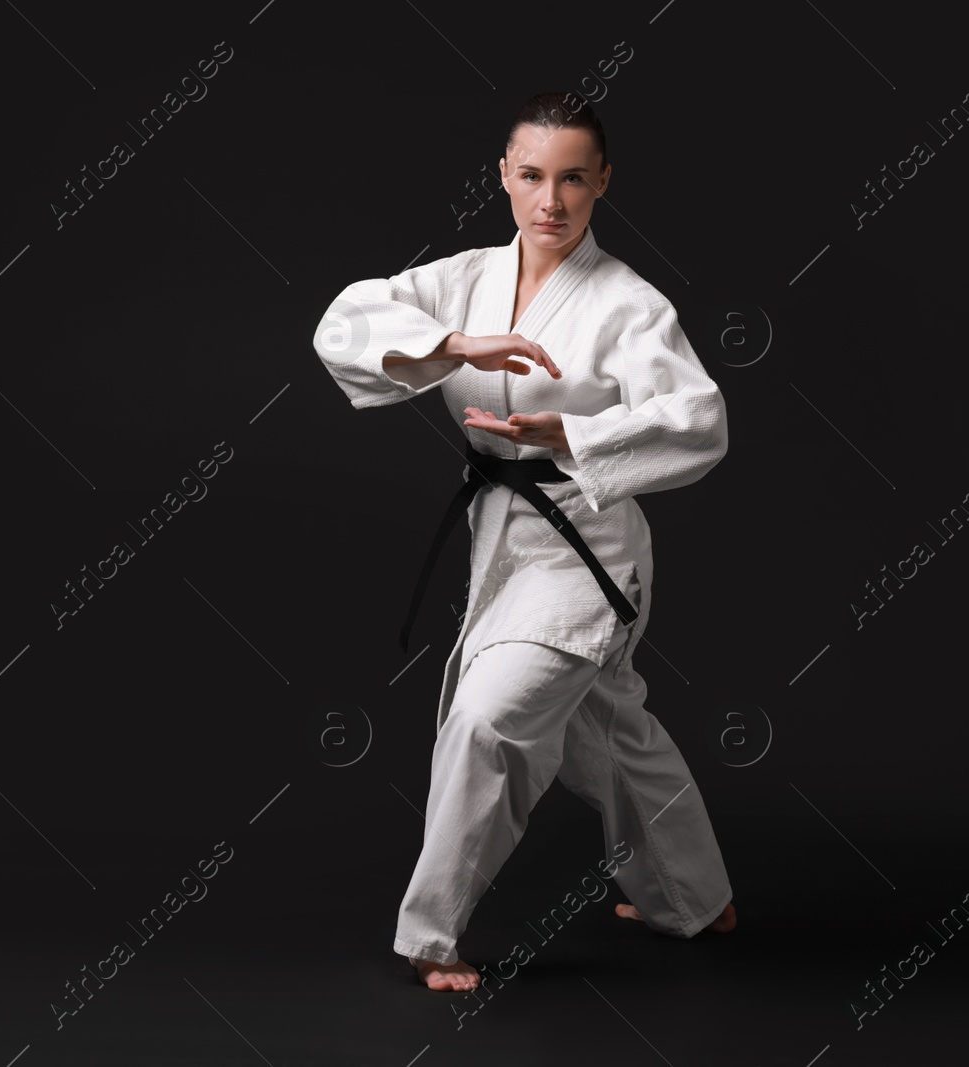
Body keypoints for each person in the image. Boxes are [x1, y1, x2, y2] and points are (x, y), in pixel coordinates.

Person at [312, 92, 736, 993]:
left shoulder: (629, 303)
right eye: (534, 175)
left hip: (587, 553)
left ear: (602, 183)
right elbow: (345, 321)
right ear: (503, 176)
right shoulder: (466, 276)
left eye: (574, 178)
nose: (552, 199)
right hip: (499, 538)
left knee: (489, 718)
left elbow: (700, 421)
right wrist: (454, 340)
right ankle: (694, 899)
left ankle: (431, 933)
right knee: (611, 732)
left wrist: (574, 438)